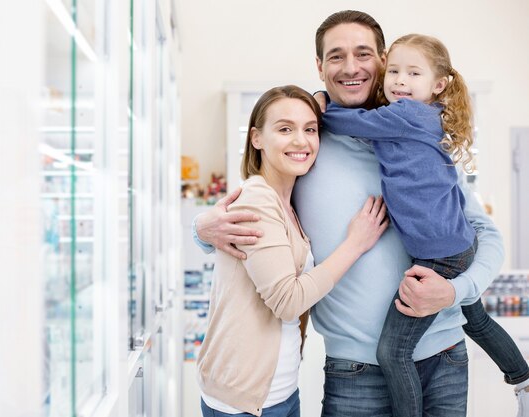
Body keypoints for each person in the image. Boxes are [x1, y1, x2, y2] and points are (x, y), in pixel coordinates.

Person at [193, 10, 505, 417]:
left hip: (443, 356)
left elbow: (485, 233)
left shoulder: (419, 140)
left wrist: (455, 291)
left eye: (363, 53)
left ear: (383, 60)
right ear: (320, 68)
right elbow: (262, 214)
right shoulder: (306, 144)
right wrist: (202, 229)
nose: (351, 67)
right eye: (336, 56)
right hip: (354, 370)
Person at [321, 33, 529, 417]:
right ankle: (522, 378)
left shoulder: (404, 115)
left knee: (393, 352)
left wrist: (317, 105)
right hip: (453, 247)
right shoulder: (418, 118)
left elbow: (345, 121)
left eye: (412, 73)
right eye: (396, 72)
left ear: (438, 85)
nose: (401, 80)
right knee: (477, 319)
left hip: (439, 258)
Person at [196, 85, 389, 417]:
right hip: (242, 401)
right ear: (256, 138)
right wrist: (355, 244)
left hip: (280, 391)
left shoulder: (289, 201)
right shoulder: (258, 199)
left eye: (310, 129)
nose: (301, 141)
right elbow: (288, 302)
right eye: (285, 129)